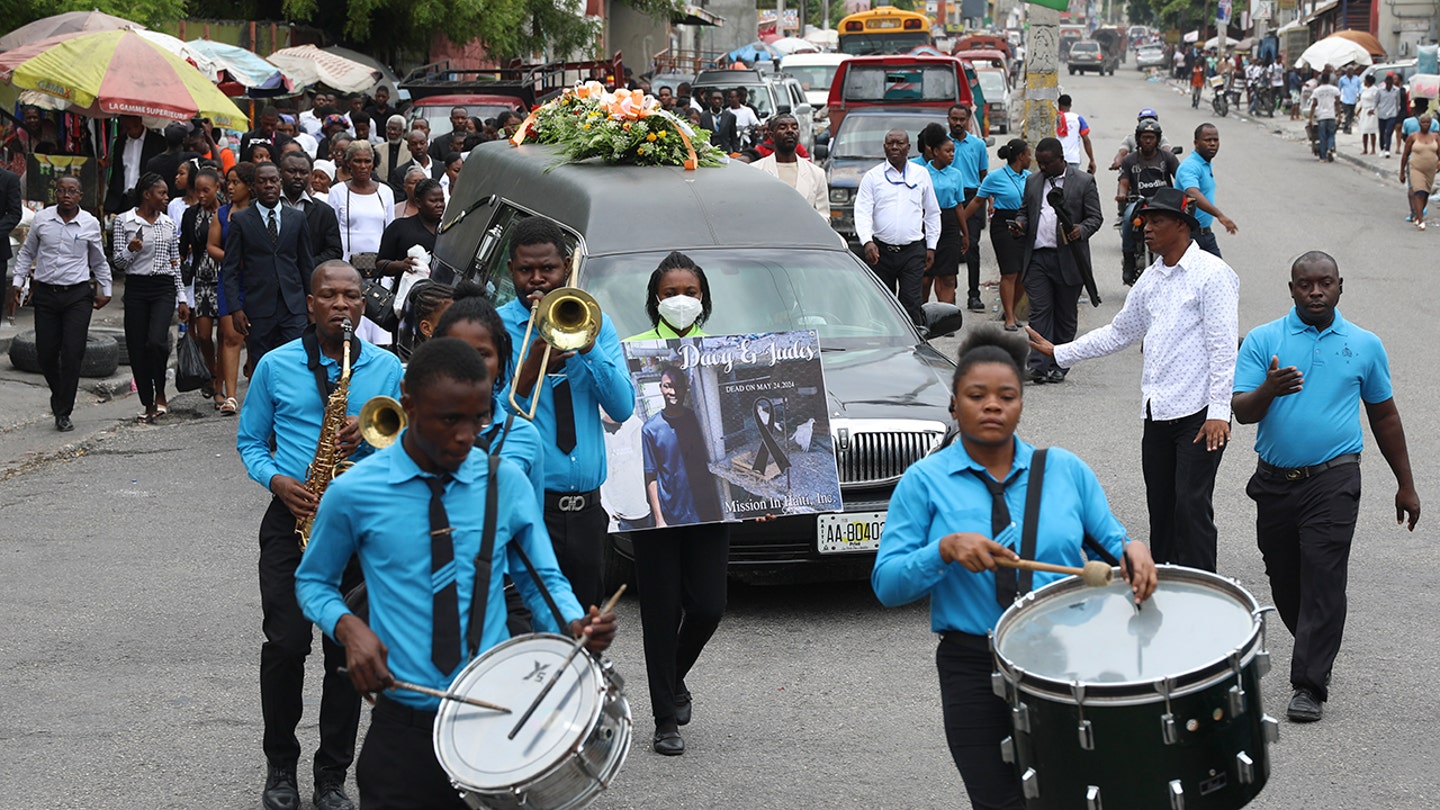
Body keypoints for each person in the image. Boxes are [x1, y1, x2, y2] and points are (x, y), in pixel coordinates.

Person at [294, 336, 615, 809]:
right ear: (408, 400)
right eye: (449, 419)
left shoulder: (503, 481)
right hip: (402, 727)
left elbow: (541, 579)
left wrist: (574, 624)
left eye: (479, 418)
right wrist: (349, 627)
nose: (467, 435)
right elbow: (312, 582)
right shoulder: (356, 492)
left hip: (492, 721)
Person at [872, 327, 1157, 810]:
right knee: (999, 801)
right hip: (972, 666)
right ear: (955, 403)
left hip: (1066, 658)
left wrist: (1136, 550)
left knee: (1071, 797)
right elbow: (887, 584)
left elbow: (1116, 544)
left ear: (1022, 404)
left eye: (1006, 396)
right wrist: (942, 550)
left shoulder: (1065, 471)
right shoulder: (923, 482)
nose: (991, 406)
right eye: (976, 395)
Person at [237, 261, 403, 810]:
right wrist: (278, 481)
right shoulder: (275, 365)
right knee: (284, 646)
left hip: (361, 528)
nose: (340, 305)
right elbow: (250, 442)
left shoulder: (388, 368)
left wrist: (379, 439)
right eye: (328, 296)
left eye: (351, 296)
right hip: (293, 519)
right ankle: (280, 765)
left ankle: (332, 774)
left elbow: (413, 444)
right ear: (309, 304)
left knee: (344, 654)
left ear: (363, 304)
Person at [1231, 251, 1418, 724]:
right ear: (1291, 288)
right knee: (1285, 576)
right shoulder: (1263, 339)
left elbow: (1384, 415)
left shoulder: (1365, 344)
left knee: (1324, 575)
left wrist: (1406, 484)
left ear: (1340, 286)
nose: (1316, 292)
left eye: (1325, 283)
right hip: (1274, 482)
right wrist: (1269, 388)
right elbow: (1243, 411)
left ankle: (1309, 684)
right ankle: (1315, 646)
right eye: (1305, 284)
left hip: (1334, 479)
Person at [1028, 187, 1238, 571]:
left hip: (1199, 414)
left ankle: (1206, 598)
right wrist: (1060, 351)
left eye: (1157, 220)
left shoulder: (1213, 275)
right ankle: (1163, 590)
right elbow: (1119, 331)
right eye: (1144, 219)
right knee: (1161, 509)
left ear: (1181, 225)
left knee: (1192, 508)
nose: (1145, 227)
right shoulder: (1152, 279)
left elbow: (1224, 349)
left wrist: (1220, 412)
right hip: (1157, 413)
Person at [498, 217, 635, 609]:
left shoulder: (595, 323)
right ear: (511, 271)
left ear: (567, 267)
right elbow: (488, 420)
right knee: (528, 627)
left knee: (583, 630)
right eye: (526, 270)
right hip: (527, 509)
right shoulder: (499, 328)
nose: (537, 280)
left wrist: (588, 347)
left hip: (587, 513)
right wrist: (526, 374)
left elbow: (622, 407)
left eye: (548, 269)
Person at [623, 252, 728, 757]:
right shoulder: (632, 351)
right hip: (658, 518)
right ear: (654, 299)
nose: (681, 300)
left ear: (703, 298)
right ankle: (665, 718)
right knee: (660, 613)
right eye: (670, 293)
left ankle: (674, 676)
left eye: (690, 292)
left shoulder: (723, 353)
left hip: (709, 510)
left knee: (709, 606)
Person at [7, 176, 110, 431]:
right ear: (56, 193)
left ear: (80, 196)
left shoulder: (89, 223)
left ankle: (64, 411)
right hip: (46, 295)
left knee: (73, 352)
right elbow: (27, 253)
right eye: (62, 190)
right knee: (46, 353)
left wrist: (106, 289)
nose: (66, 195)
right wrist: (17, 283)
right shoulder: (43, 220)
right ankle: (59, 393)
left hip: (77, 295)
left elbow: (98, 259)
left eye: (72, 191)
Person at [1016, 137, 1102, 384]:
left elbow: (1095, 218)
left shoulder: (1083, 181)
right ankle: (1038, 366)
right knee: (1040, 312)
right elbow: (1024, 211)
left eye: (1047, 163)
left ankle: (1059, 363)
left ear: (1061, 159)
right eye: (1039, 162)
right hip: (1038, 259)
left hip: (1070, 259)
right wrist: (1020, 224)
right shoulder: (1033, 181)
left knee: (1065, 314)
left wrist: (1081, 230)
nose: (1042, 167)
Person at [223, 161, 317, 365]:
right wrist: (235, 309)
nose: (268, 185)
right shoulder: (241, 220)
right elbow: (229, 269)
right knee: (262, 364)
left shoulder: (297, 218)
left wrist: (312, 305)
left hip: (293, 306)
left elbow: (306, 264)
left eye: (273, 180)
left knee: (298, 361)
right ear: (253, 187)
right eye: (262, 181)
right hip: (258, 307)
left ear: (280, 183)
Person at [112, 172, 188, 423]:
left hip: (162, 287)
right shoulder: (124, 221)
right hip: (136, 288)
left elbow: (174, 262)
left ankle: (161, 391)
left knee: (156, 342)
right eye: (162, 193)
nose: (167, 198)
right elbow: (119, 263)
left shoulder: (168, 224)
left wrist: (182, 297)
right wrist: (130, 250)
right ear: (147, 195)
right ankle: (147, 402)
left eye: (167, 193)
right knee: (137, 347)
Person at [854, 128, 941, 329]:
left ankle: (912, 349)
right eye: (890, 143)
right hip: (881, 252)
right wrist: (867, 241)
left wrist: (931, 246)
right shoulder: (872, 177)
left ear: (908, 148)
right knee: (881, 305)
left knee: (911, 303)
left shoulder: (921, 174)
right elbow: (862, 212)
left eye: (899, 143)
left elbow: (932, 212)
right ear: (884, 147)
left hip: (912, 251)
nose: (895, 147)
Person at [329, 140, 396, 346]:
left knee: (380, 328)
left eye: (367, 161)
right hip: (348, 266)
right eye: (357, 161)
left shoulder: (385, 192)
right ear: (349, 163)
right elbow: (332, 231)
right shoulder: (338, 191)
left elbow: (390, 230)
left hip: (380, 269)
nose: (363, 166)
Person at [961, 139, 1030, 331]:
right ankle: (1008, 316)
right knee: (1009, 272)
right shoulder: (995, 177)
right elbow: (977, 202)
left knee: (1023, 274)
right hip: (1004, 225)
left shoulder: (1030, 177)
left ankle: (1012, 310)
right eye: (1028, 154)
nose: (1030, 158)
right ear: (1020, 156)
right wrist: (961, 224)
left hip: (1025, 224)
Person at [210, 162, 256, 413]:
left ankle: (257, 390)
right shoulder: (222, 213)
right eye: (228, 181)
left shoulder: (260, 211)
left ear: (249, 186)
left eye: (235, 182)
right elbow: (212, 246)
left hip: (256, 281)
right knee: (230, 337)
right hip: (231, 279)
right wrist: (232, 258)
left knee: (255, 338)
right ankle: (230, 396)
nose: (230, 186)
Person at [181, 167, 225, 408]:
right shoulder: (191, 215)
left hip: (225, 279)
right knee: (204, 335)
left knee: (225, 334)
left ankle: (219, 387)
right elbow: (183, 247)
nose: (201, 195)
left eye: (206, 190)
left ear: (217, 188)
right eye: (197, 191)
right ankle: (213, 372)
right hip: (202, 280)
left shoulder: (228, 212)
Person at [1117, 119, 1180, 284]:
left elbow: (1181, 178)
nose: (1148, 141)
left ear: (1158, 139)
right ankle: (1129, 260)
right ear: (1138, 138)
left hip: (1164, 203)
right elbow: (1123, 182)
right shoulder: (1130, 160)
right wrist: (1122, 194)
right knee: (1127, 220)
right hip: (1140, 202)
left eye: (1152, 137)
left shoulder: (1167, 158)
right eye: (1144, 137)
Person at [945, 104, 991, 312]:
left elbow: (984, 175)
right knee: (949, 248)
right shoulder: (943, 144)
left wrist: (990, 200)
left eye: (962, 119)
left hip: (973, 197)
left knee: (971, 246)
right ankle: (949, 295)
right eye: (954, 119)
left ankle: (974, 294)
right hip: (948, 198)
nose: (957, 123)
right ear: (948, 119)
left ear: (968, 120)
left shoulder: (978, 145)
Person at [915, 124, 963, 307]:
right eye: (947, 151)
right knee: (925, 277)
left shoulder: (956, 174)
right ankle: (920, 316)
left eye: (953, 151)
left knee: (948, 276)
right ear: (934, 150)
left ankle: (946, 317)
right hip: (924, 222)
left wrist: (964, 234)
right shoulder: (920, 172)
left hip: (949, 223)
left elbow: (959, 205)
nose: (952, 155)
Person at [1175, 123, 1237, 258]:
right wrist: (1220, 215)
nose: (1213, 144)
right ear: (1196, 143)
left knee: (1220, 276)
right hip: (1188, 236)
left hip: (1205, 235)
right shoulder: (1190, 166)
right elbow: (1193, 193)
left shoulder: (1204, 163)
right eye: (1208, 140)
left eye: (1215, 140)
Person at [279, 151, 344, 263]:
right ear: (280, 173)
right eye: (292, 171)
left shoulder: (324, 212)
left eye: (303, 172)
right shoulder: (263, 206)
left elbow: (334, 251)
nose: (298, 177)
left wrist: (307, 265)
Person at [104, 115, 165, 214]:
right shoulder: (120, 143)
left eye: (135, 126)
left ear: (140, 120)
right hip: (122, 199)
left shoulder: (158, 142)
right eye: (128, 128)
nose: (133, 131)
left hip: (146, 198)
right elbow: (116, 173)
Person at [1399, 114, 1438, 230]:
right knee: (1418, 192)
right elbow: (1405, 155)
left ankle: (1418, 214)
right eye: (1423, 122)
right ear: (1419, 124)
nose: (1425, 124)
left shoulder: (1435, 137)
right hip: (1416, 167)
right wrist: (1402, 172)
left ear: (1431, 124)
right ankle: (1420, 220)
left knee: (1426, 193)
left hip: (1430, 169)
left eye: (1428, 122)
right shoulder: (1413, 137)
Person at [144, 123, 196, 200]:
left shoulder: (152, 163)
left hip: (159, 205)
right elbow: (218, 164)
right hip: (184, 205)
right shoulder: (190, 158)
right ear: (184, 140)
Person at [390, 130, 440, 197]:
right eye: (414, 144)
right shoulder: (400, 172)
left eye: (422, 143)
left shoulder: (440, 167)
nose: (418, 147)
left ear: (427, 144)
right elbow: (400, 197)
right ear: (408, 147)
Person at [1054, 95, 1094, 173]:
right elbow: (1086, 140)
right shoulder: (1078, 119)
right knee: (1072, 183)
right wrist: (1091, 160)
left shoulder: (1055, 118)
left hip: (1057, 159)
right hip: (1073, 158)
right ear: (1070, 105)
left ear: (1059, 105)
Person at [1309, 73, 1342, 163]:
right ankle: (1330, 148)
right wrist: (1339, 116)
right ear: (1329, 80)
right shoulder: (1335, 90)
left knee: (1322, 136)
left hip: (1321, 116)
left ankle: (1323, 157)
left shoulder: (1317, 91)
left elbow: (1314, 104)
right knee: (1331, 134)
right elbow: (1337, 103)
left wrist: (1310, 118)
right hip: (1331, 115)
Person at [374, 115, 407, 193]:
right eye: (389, 129)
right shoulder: (377, 149)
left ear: (404, 131)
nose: (392, 132)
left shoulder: (410, 150)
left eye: (395, 129)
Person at [1376, 72, 1404, 158]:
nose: (1389, 85)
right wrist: (1373, 109)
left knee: (1389, 132)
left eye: (1390, 83)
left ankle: (1387, 149)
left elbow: (1398, 102)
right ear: (1385, 82)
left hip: (1392, 114)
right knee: (1382, 132)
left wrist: (1396, 110)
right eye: (1387, 83)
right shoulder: (1380, 90)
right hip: (1382, 113)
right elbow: (1376, 101)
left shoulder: (1396, 90)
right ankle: (1382, 148)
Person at [1357, 74, 1380, 155]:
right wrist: (1359, 110)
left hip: (1371, 111)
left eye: (1365, 80)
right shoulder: (1364, 89)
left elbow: (1376, 101)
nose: (1364, 82)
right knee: (1364, 130)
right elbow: (1362, 101)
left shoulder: (1375, 90)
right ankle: (1365, 149)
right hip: (1364, 111)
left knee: (1371, 130)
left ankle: (1373, 149)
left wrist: (1373, 109)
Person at [1338, 66, 1363, 134]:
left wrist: (1359, 94)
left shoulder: (1357, 79)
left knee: (1351, 114)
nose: (1350, 72)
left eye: (1351, 70)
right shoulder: (1342, 79)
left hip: (1353, 99)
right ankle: (1348, 127)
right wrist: (1338, 97)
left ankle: (1346, 126)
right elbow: (1339, 88)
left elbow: (1360, 87)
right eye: (1349, 70)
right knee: (1347, 113)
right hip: (1345, 99)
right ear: (1346, 71)